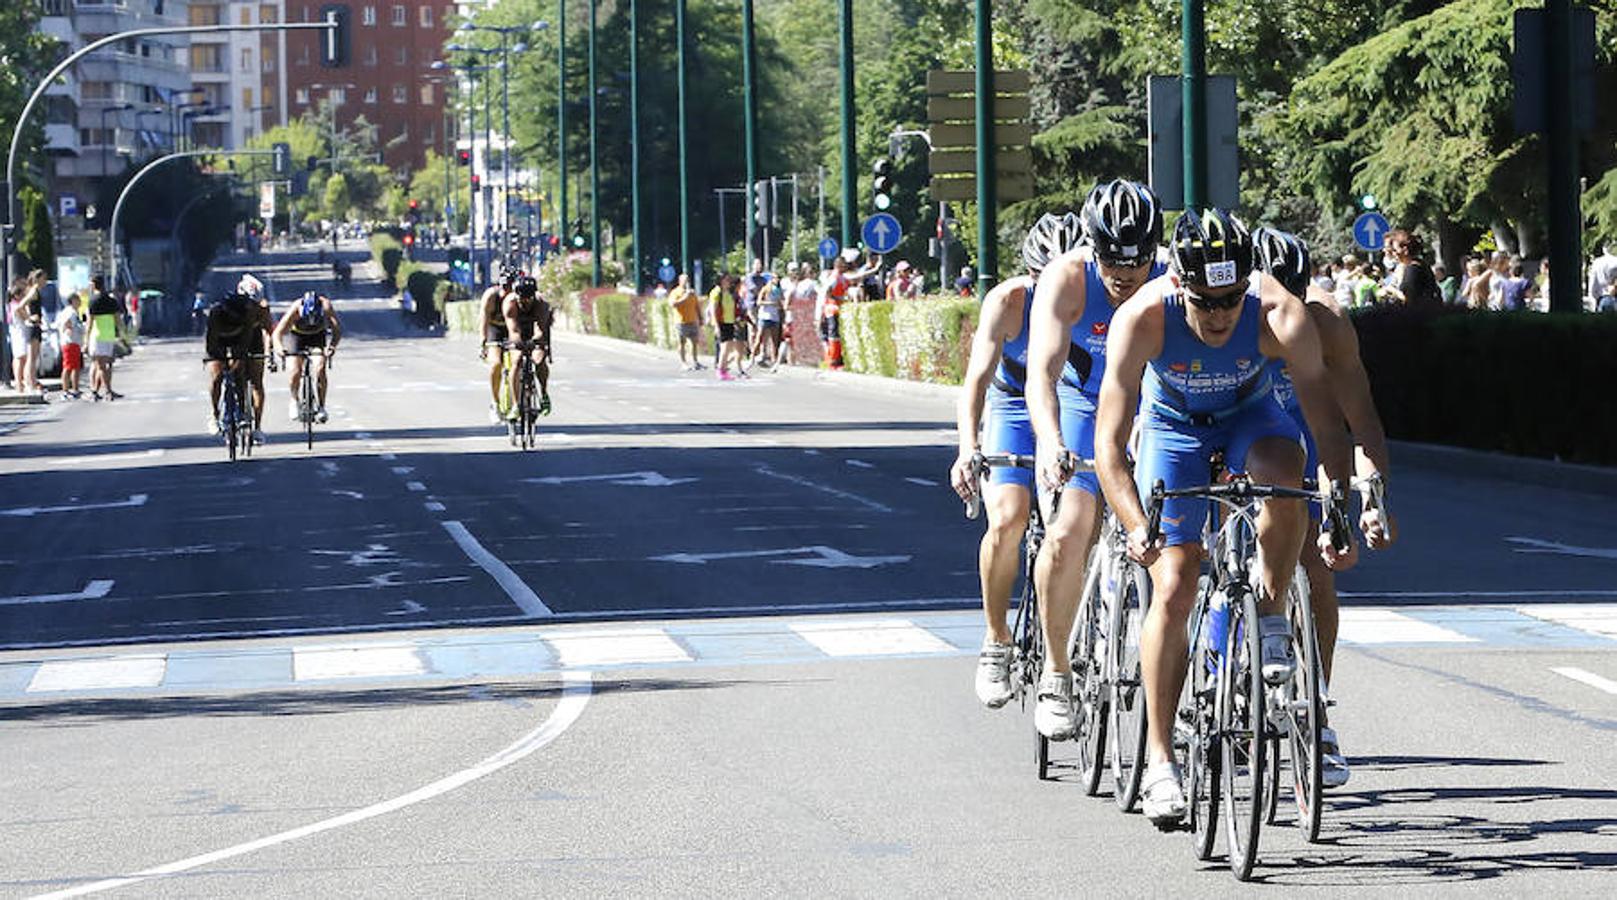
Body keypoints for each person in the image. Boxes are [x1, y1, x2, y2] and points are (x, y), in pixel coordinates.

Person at [1093, 208, 1359, 826]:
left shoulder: (1278, 315)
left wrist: (1340, 501)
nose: (1218, 316)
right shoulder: (1143, 318)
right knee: (1177, 581)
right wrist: (1136, 523)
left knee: (1284, 476)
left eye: (1231, 300)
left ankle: (1268, 614)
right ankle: (1161, 760)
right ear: (1179, 284)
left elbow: (1325, 424)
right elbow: (1108, 446)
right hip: (1173, 428)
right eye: (1205, 302)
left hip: (1252, 418)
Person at [1254, 227, 1401, 788]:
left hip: (1308, 437)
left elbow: (1360, 422)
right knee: (1216, 553)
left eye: (1294, 297)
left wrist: (1371, 500)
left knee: (1318, 572)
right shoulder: (1228, 318)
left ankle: (1314, 713)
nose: (1285, 313)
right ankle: (1219, 669)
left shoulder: (1327, 322)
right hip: (1240, 432)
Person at [1024, 180, 1167, 738]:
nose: (1124, 275)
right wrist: (1051, 441)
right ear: (1092, 246)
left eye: (1137, 261)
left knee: (1170, 544)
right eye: (1110, 259)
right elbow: (1042, 373)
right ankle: (1058, 674)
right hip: (1083, 402)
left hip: (1151, 400)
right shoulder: (1066, 278)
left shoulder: (1170, 278)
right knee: (1068, 533)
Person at [951, 212, 1087, 711]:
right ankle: (996, 639)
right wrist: (969, 447)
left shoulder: (1096, 292)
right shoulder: (1008, 302)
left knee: (1075, 526)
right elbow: (976, 383)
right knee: (1008, 519)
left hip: (1069, 404)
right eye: (1040, 278)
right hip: (1012, 405)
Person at [203, 290, 267, 442]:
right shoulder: (216, 313)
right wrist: (217, 359)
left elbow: (246, 340)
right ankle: (215, 414)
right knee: (216, 377)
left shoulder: (248, 312)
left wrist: (238, 359)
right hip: (219, 340)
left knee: (240, 372)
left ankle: (242, 410)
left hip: (239, 339)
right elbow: (211, 341)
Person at [272, 290, 343, 423]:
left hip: (317, 336)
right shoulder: (296, 308)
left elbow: (337, 330)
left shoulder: (326, 306)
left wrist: (332, 347)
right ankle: (294, 399)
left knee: (320, 367)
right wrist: (279, 349)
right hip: (297, 336)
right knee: (295, 370)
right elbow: (277, 333)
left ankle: (321, 406)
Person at [819, 250, 882, 368]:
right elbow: (827, 293)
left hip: (838, 308)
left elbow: (859, 276)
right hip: (831, 309)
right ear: (838, 265)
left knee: (838, 334)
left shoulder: (842, 277)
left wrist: (874, 270)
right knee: (834, 335)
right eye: (843, 265)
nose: (846, 267)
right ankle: (833, 359)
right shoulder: (833, 278)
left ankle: (836, 359)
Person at [502, 274, 554, 415]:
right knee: (517, 360)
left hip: (534, 332)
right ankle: (515, 405)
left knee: (539, 360)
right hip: (518, 332)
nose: (524, 302)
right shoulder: (509, 304)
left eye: (528, 299)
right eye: (521, 299)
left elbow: (541, 329)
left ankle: (544, 393)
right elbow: (513, 330)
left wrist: (537, 341)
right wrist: (518, 342)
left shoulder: (541, 304)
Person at [481, 267, 520, 422]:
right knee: (496, 364)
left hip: (514, 329)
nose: (507, 292)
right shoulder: (491, 296)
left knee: (519, 362)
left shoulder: (518, 298)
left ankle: (519, 398)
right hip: (495, 329)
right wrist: (483, 342)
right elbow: (483, 321)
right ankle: (495, 403)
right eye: (504, 287)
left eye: (511, 288)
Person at [1380, 229, 1441, 310]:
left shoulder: (1413, 270)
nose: (1394, 254)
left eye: (1395, 250)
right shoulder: (1420, 264)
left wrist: (1392, 291)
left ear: (1405, 250)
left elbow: (1410, 300)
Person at [86, 276, 124, 401]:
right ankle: (103, 390)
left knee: (98, 365)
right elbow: (118, 320)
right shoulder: (112, 300)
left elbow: (89, 324)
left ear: (93, 285)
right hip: (109, 335)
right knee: (107, 365)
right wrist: (121, 336)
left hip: (97, 335)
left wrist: (85, 341)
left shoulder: (93, 301)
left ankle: (100, 391)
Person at [709, 273, 747, 380]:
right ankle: (721, 370)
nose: (729, 282)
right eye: (726, 279)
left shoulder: (729, 293)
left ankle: (724, 369)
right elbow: (713, 309)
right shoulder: (717, 292)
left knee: (728, 348)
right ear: (720, 280)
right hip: (721, 322)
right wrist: (716, 325)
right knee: (725, 348)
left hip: (729, 322)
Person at [667, 273, 704, 371]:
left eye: (688, 280)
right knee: (682, 342)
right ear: (680, 281)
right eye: (685, 280)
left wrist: (700, 318)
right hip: (681, 322)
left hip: (692, 320)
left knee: (694, 342)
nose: (687, 282)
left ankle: (695, 361)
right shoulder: (675, 292)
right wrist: (685, 297)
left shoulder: (692, 293)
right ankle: (683, 362)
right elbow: (673, 304)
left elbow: (697, 306)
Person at [55, 293, 86, 399]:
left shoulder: (75, 312)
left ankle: (75, 389)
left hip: (76, 342)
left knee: (76, 367)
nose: (80, 302)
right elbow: (66, 323)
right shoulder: (69, 312)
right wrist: (68, 329)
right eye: (78, 300)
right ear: (73, 300)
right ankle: (65, 390)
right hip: (70, 342)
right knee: (68, 367)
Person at [755, 272, 786, 367]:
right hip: (764, 316)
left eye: (778, 278)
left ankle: (774, 360)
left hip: (774, 317)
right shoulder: (765, 289)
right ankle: (753, 356)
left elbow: (782, 301)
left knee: (774, 340)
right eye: (775, 278)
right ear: (771, 279)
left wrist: (781, 306)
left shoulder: (779, 290)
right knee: (759, 338)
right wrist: (770, 303)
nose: (777, 280)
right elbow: (759, 302)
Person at [1587, 241, 1617, 312]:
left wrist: (1593, 297)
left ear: (1604, 249)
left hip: (1602, 299)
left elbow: (1593, 285)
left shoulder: (1597, 263)